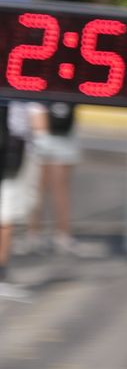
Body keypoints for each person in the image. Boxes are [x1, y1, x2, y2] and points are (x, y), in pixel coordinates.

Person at [26, 102, 85, 256]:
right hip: (44, 133)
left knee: (57, 188)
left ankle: (58, 234)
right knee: (41, 188)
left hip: (62, 132)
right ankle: (37, 234)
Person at [0, 101, 44, 300]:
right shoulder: (25, 94)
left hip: (12, 157)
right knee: (5, 218)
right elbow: (40, 125)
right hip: (12, 160)